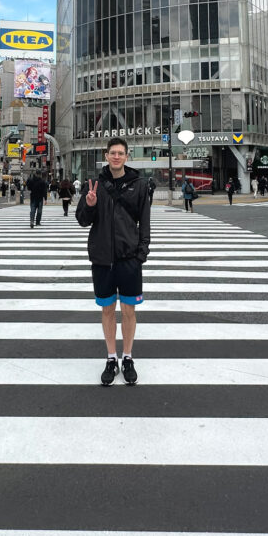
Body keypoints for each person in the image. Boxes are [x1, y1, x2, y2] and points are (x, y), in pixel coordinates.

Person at [76, 136, 150, 386]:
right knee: (107, 310)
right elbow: (83, 220)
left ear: (127, 156)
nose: (116, 156)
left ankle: (127, 357)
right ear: (106, 156)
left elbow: (145, 222)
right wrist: (90, 204)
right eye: (112, 153)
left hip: (129, 259)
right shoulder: (94, 185)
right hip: (102, 259)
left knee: (129, 311)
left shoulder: (139, 184)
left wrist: (142, 253)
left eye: (121, 153)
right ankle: (111, 358)